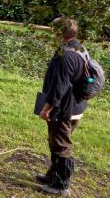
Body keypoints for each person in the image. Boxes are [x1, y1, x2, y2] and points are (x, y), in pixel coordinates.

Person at [36, 17, 88, 196]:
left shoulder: (64, 57)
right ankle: (53, 175)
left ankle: (61, 185)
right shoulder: (79, 48)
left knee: (61, 145)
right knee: (56, 141)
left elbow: (59, 88)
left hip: (64, 108)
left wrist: (46, 108)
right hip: (75, 106)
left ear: (61, 33)